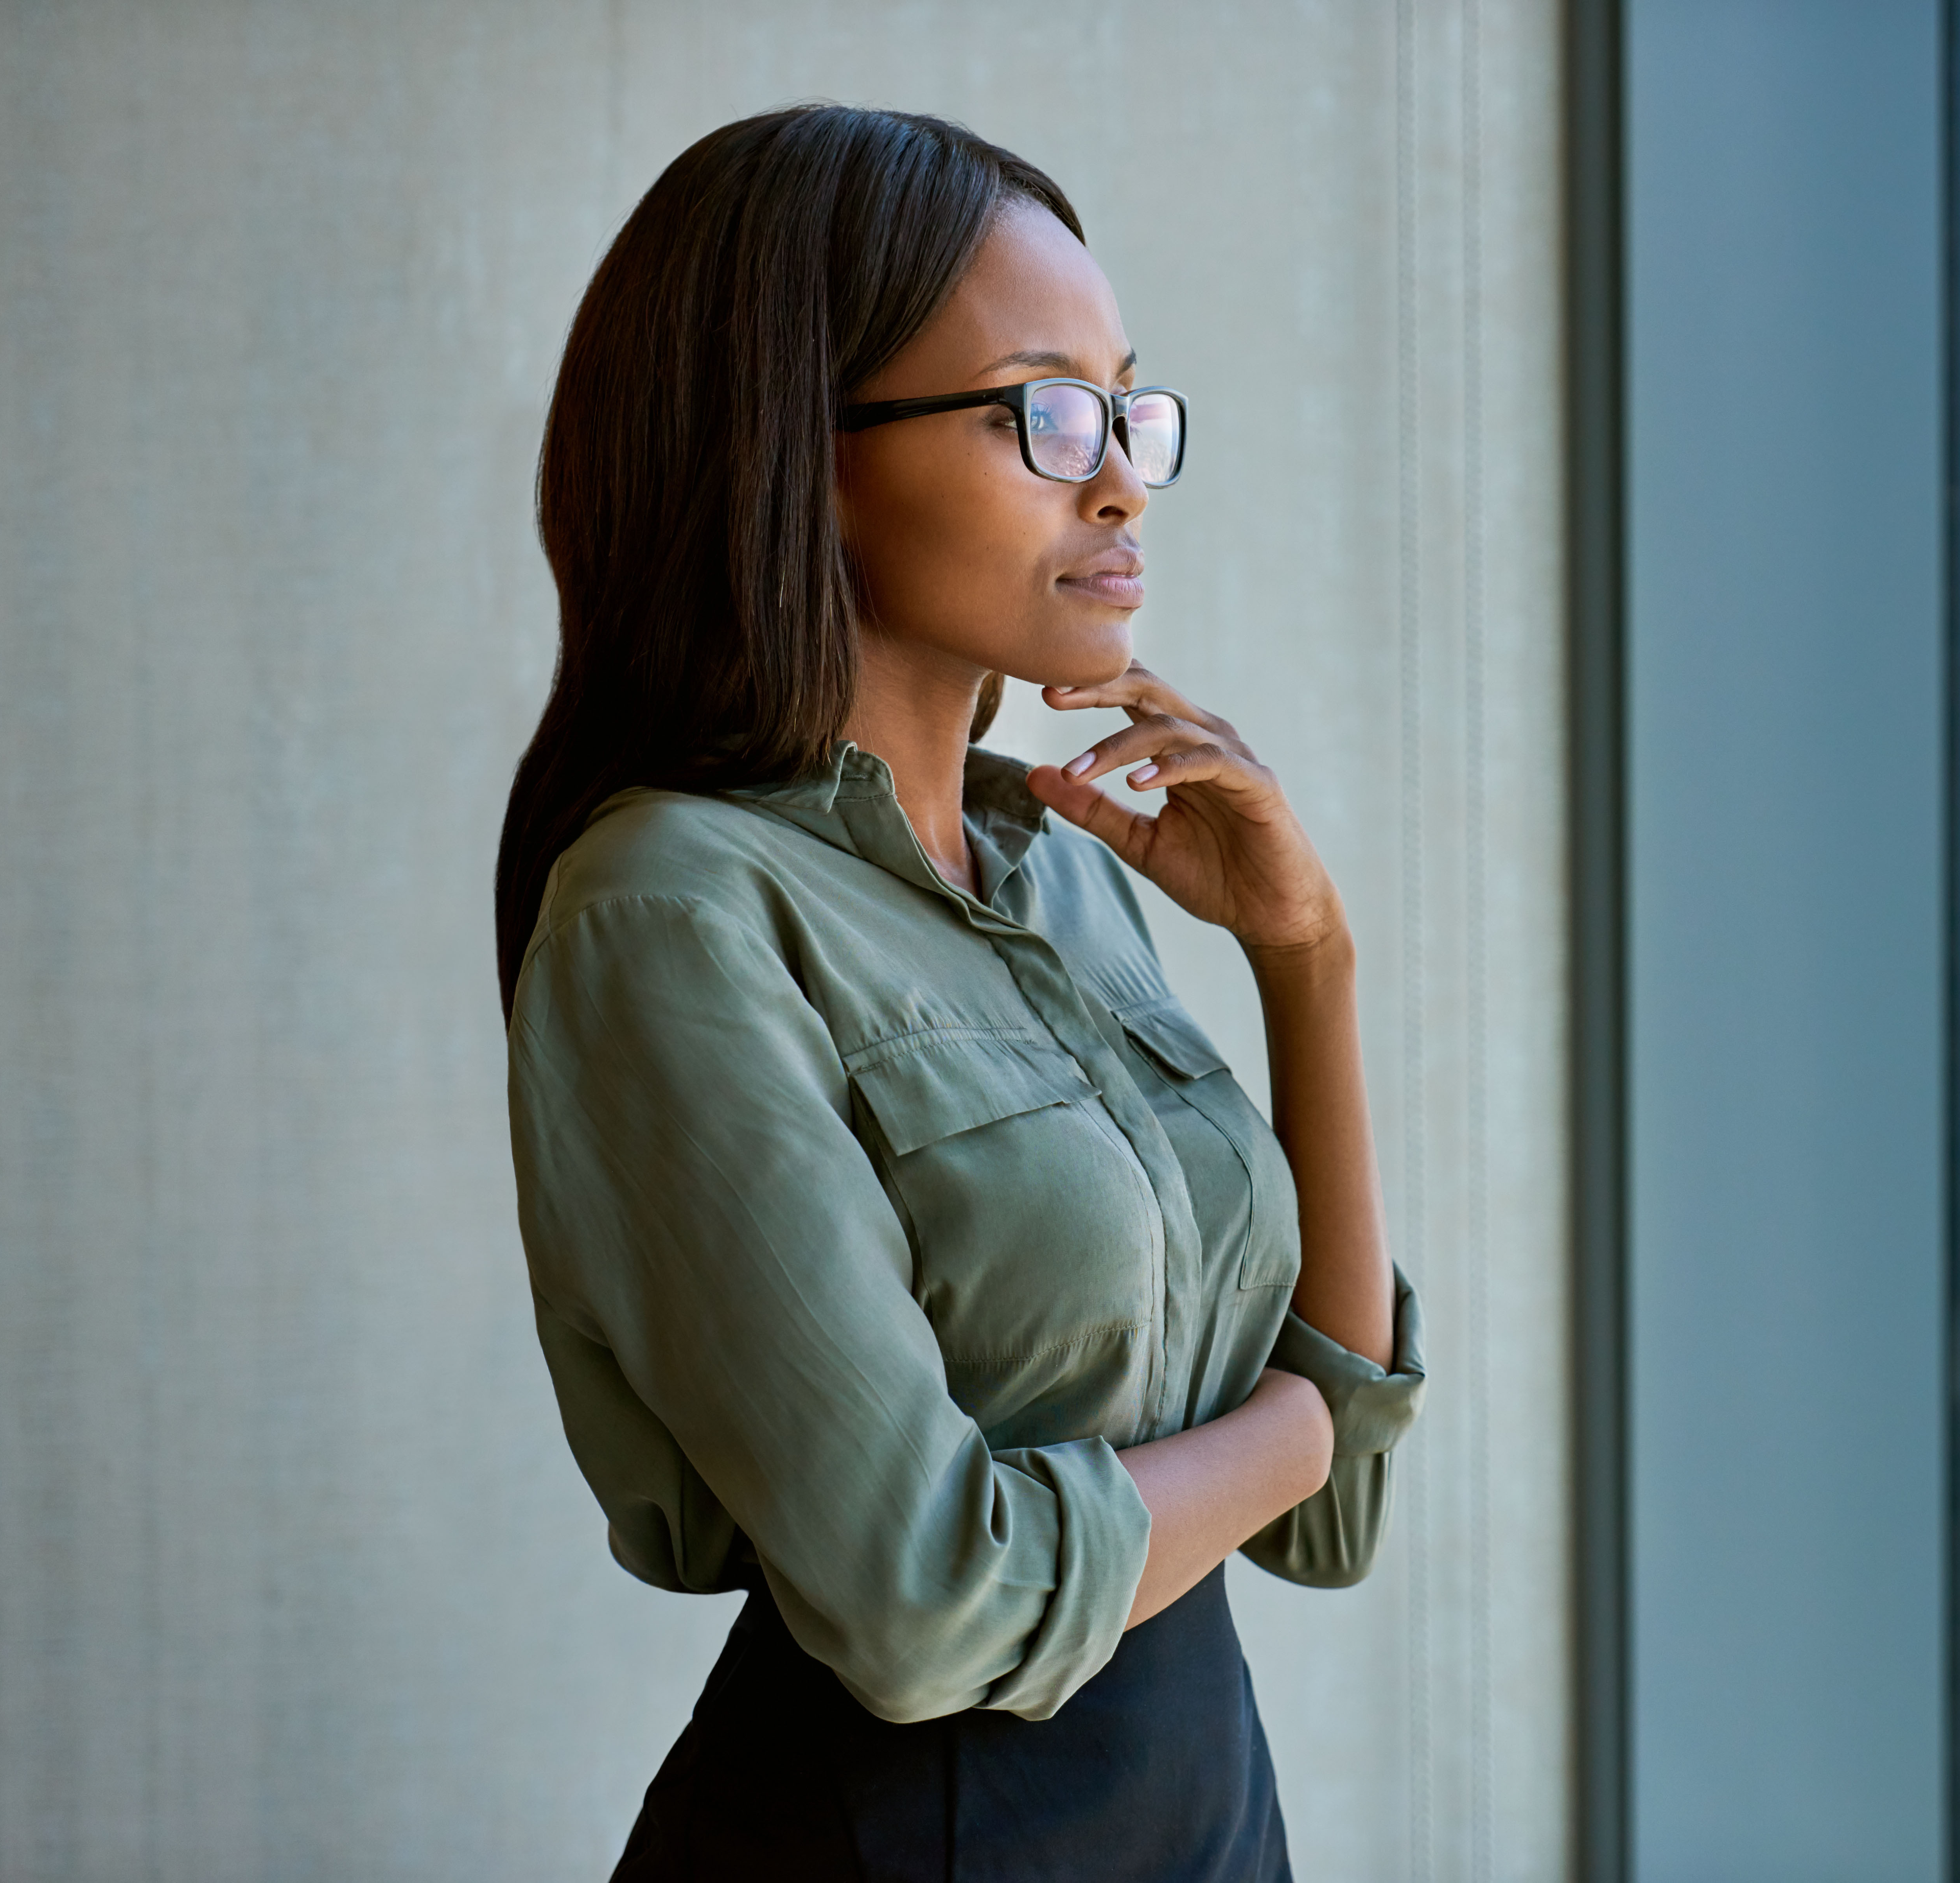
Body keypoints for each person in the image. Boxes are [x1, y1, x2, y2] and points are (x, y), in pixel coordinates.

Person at [494, 104, 1424, 1880]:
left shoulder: (1065, 872)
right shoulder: (671, 908)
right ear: (806, 451)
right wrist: (1300, 1430)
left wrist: (1308, 966)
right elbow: (933, 1599)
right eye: (1043, 413)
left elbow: (1336, 1511)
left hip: (1205, 1823)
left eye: (1127, 406)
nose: (1120, 478)